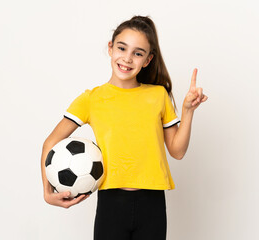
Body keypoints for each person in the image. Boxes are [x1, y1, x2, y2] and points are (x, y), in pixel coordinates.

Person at [40, 15, 208, 240]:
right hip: (111, 204)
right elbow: (50, 143)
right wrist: (47, 192)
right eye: (122, 48)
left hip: (153, 204)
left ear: (147, 60)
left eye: (138, 53)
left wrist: (188, 111)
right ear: (110, 48)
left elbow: (177, 151)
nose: (127, 58)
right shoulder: (91, 99)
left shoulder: (158, 95)